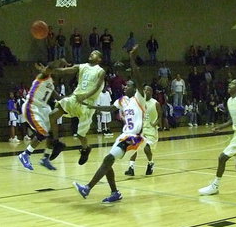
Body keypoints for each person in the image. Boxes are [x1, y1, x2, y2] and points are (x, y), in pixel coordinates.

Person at [73, 47, 143, 203]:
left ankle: (87, 188)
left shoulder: (139, 98)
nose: (125, 87)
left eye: (128, 85)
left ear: (135, 88)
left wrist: (131, 58)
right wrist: (93, 107)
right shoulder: (122, 100)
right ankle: (115, 193)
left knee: (108, 159)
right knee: (107, 161)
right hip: (124, 136)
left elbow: (137, 76)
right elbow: (110, 108)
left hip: (135, 137)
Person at [48, 50, 106, 165]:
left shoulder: (100, 71)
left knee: (80, 135)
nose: (91, 53)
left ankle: (86, 148)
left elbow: (97, 87)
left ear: (99, 59)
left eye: (95, 53)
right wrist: (50, 70)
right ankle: (56, 143)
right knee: (52, 115)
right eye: (91, 52)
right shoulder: (82, 66)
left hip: (87, 103)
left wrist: (85, 96)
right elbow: (65, 71)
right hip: (75, 98)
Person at [17, 60, 67, 171]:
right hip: (31, 107)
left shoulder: (51, 84)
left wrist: (74, 98)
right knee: (42, 132)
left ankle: (45, 158)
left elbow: (59, 98)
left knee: (51, 134)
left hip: (42, 109)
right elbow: (50, 66)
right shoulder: (42, 76)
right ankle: (25, 154)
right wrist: (60, 60)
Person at [126, 84, 160, 176]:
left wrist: (155, 123)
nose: (145, 91)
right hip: (140, 128)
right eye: (144, 89)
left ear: (151, 92)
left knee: (146, 147)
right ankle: (131, 168)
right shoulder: (140, 102)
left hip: (151, 130)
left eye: (147, 90)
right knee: (134, 147)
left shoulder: (155, 103)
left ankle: (150, 163)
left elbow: (160, 117)